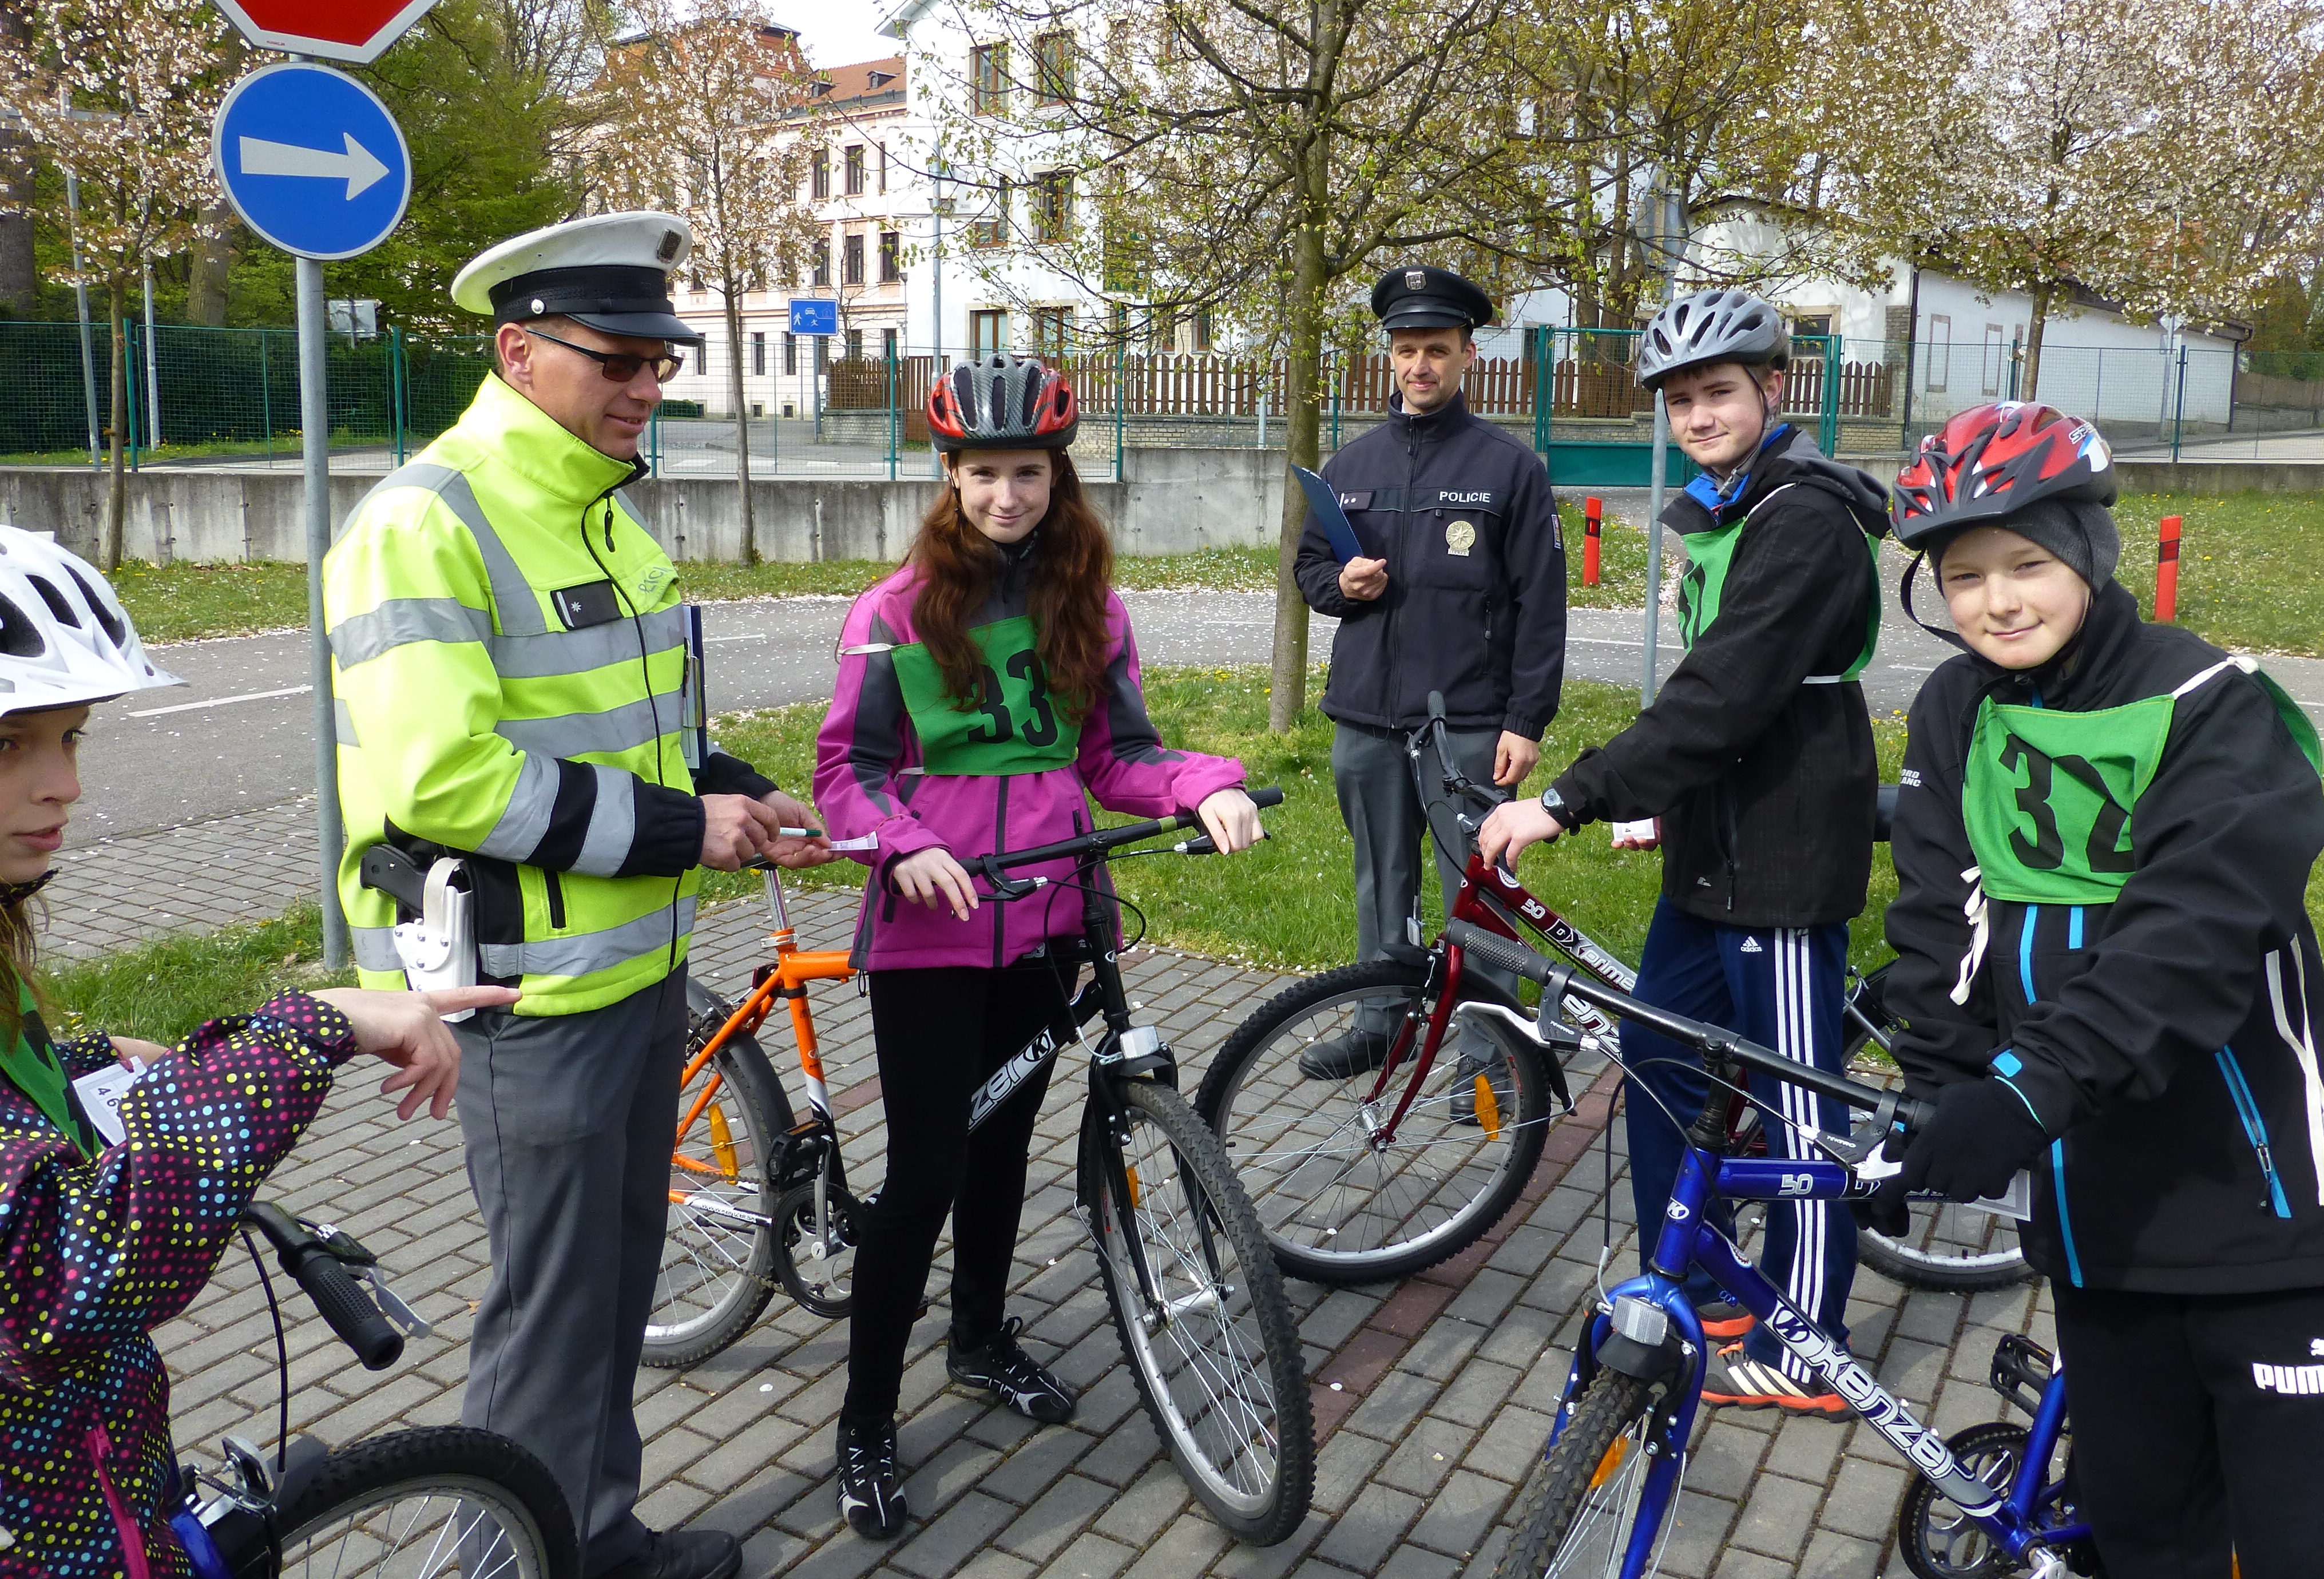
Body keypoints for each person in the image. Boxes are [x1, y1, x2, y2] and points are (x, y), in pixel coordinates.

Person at [326, 213, 830, 1579]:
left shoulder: (600, 511)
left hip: (631, 978)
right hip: (528, 997)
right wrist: (689, 826)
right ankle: (511, 1566)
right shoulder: (426, 524)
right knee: (550, 1327)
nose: (646, 387)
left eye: (659, 361)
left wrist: (741, 791)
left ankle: (591, 1541)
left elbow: (636, 735)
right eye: (618, 361)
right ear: (518, 351)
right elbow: (451, 783)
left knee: (608, 1302)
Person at [1874, 401, 2324, 1578]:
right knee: (2146, 1547)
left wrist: (2022, 1091)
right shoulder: (1958, 709)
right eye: (1962, 578)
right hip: (2099, 1227)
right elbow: (1942, 919)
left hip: (2264, 1215)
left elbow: (2186, 936)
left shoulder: (2211, 703)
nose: (1997, 603)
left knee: (2312, 1555)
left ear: (2093, 556)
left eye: (2027, 565)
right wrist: (1935, 1094)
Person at [0, 527, 508, 1578]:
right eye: (11, 746)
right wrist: (310, 1025)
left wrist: (100, 1063)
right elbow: (79, 1262)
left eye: (72, 739)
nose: (65, 787)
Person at [813, 354, 1263, 1540]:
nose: (1006, 496)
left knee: (1004, 1149)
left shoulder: (1092, 609)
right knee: (924, 1176)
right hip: (933, 930)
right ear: (949, 479)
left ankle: (976, 1337)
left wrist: (1204, 788)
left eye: (1027, 473)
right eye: (983, 474)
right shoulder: (894, 611)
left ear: (1057, 479)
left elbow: (1120, 756)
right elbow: (845, 776)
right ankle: (863, 1421)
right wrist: (899, 843)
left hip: (1050, 918)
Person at [1478, 288, 1888, 1414]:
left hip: (1786, 861)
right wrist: (1653, 793)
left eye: (1717, 392)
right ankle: (1704, 1275)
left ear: (1776, 389)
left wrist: (1570, 797)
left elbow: (1723, 693)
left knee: (1804, 1110)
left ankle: (1813, 1346)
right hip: (1713, 852)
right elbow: (1701, 702)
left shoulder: (1804, 520)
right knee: (1658, 1067)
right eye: (1680, 400)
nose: (1698, 415)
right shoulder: (1734, 506)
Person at [1291, 263, 1566, 1085]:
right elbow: (1309, 569)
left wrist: (1526, 720)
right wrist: (1339, 587)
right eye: (1407, 350)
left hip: (1470, 722)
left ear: (1467, 355)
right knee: (1382, 880)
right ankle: (1383, 1023)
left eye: (1437, 350)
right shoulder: (1348, 465)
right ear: (1390, 356)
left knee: (1478, 892)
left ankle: (1488, 1056)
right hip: (1366, 717)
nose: (1421, 366)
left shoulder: (1510, 469)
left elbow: (1540, 605)